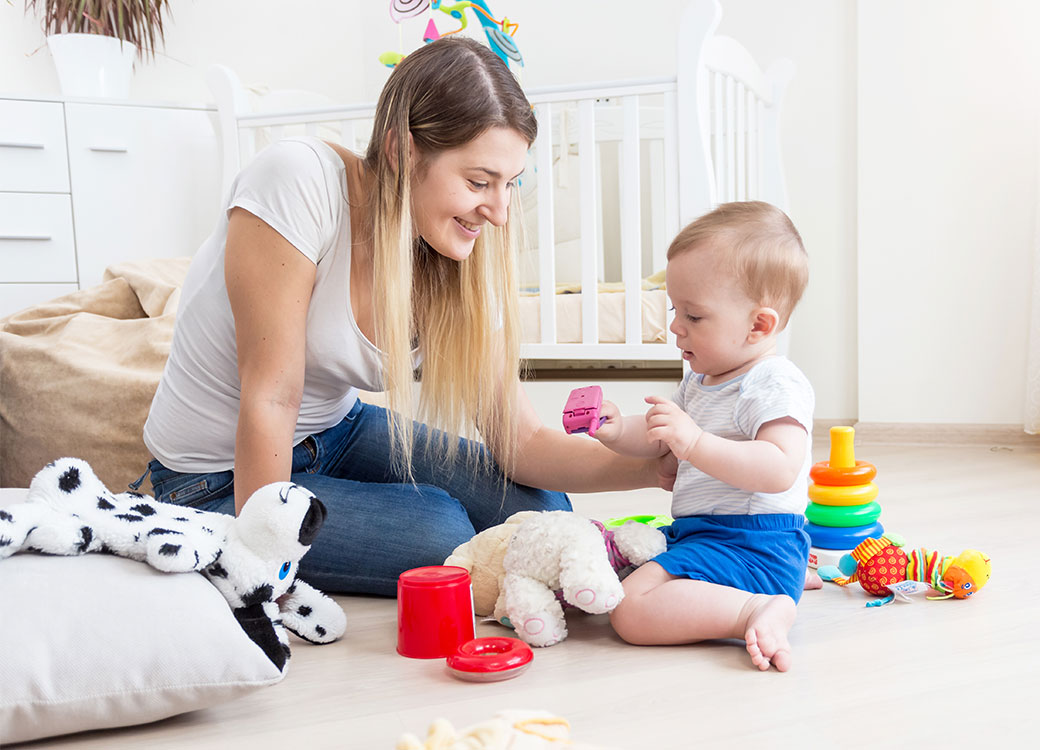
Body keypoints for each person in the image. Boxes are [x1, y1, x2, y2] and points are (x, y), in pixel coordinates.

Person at [136, 38, 663, 596]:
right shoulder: (297, 181)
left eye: (511, 184)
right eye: (479, 182)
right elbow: (272, 397)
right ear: (401, 151)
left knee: (541, 508)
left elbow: (522, 442)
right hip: (212, 476)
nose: (501, 213)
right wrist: (260, 566)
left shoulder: (453, 250)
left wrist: (650, 470)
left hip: (333, 432)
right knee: (441, 530)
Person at [592, 201, 814, 672]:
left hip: (752, 543)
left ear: (759, 325)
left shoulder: (772, 382)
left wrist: (694, 444)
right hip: (708, 535)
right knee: (614, 567)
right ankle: (755, 594)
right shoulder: (702, 381)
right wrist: (616, 430)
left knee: (629, 609)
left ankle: (755, 609)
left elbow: (779, 467)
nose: (675, 326)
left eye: (693, 316)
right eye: (676, 310)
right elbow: (658, 438)